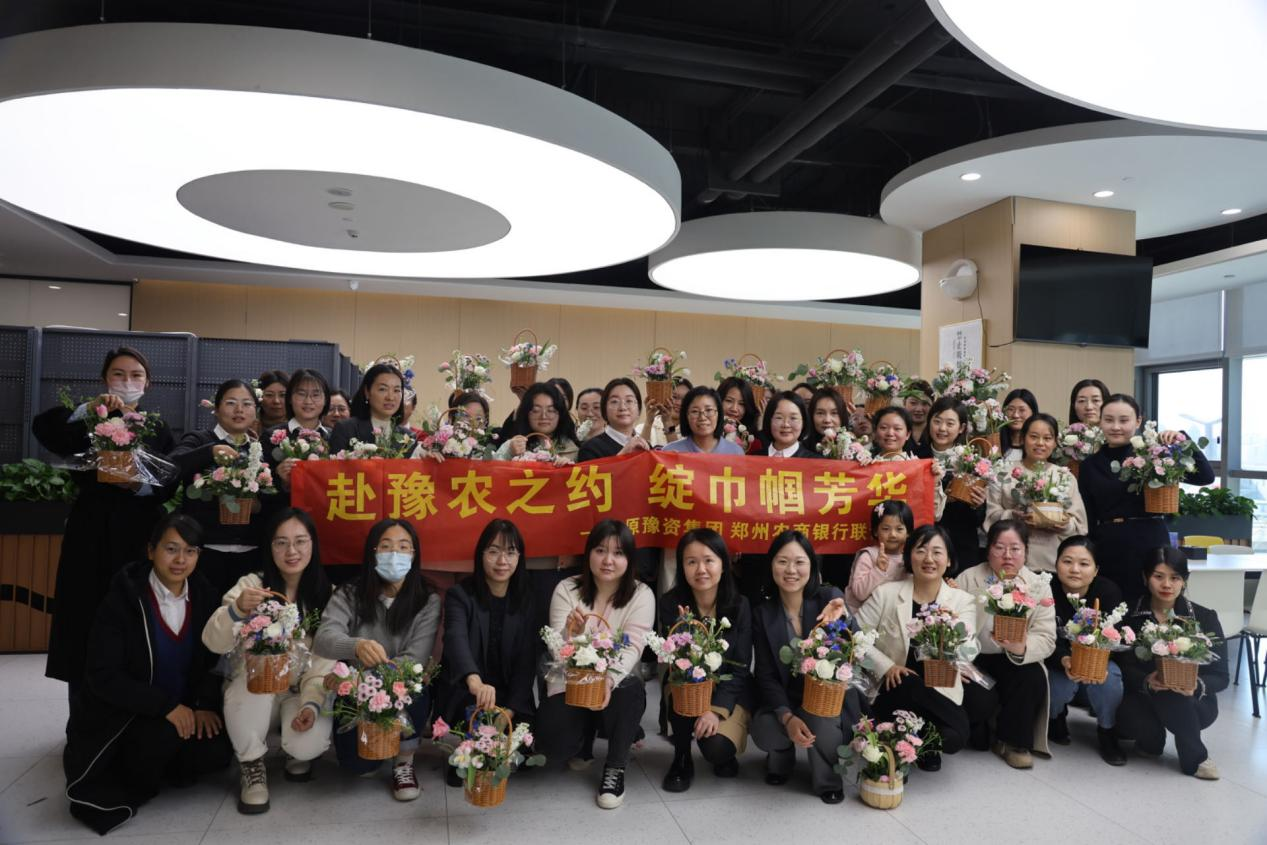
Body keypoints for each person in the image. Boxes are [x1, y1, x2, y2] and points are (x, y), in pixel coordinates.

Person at [64, 514, 231, 835]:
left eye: (190, 551)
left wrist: (203, 704)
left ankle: (164, 765)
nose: (180, 560)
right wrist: (165, 707)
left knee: (218, 750)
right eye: (171, 549)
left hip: (183, 706)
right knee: (160, 739)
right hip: (128, 714)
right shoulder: (123, 600)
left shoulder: (205, 596)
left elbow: (213, 660)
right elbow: (103, 676)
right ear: (151, 550)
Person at [32, 346, 176, 694]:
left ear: (148, 383)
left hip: (139, 532)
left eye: (136, 375)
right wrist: (91, 407)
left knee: (134, 616)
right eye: (118, 374)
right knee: (84, 614)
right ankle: (82, 710)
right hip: (90, 530)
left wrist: (138, 485)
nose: (127, 382)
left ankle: (134, 703)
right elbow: (44, 428)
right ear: (104, 379)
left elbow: (169, 481)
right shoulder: (88, 419)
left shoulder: (156, 427)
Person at [201, 508, 334, 813]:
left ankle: (295, 751)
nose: (291, 551)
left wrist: (311, 705)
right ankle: (251, 765)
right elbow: (212, 641)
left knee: (308, 744)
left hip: (299, 691)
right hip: (256, 688)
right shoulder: (252, 585)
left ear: (313, 544)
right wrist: (236, 610)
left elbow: (324, 663)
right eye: (281, 542)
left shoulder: (327, 594)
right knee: (250, 690)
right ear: (269, 547)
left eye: (300, 541)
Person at [313, 518, 441, 801]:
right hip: (356, 694)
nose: (395, 554)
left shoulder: (427, 599)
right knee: (358, 767)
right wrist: (356, 646)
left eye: (403, 547)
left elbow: (415, 658)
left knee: (417, 682)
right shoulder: (349, 593)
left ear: (414, 554)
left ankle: (404, 761)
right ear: (373, 552)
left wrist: (365, 678)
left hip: (396, 688)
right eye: (386, 546)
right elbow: (323, 638)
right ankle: (380, 745)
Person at [535, 520, 655, 809]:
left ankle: (615, 766)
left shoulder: (641, 594)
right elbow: (557, 648)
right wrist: (571, 635)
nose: (608, 560)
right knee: (553, 747)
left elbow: (632, 647)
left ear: (629, 559)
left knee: (630, 688)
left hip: (617, 686)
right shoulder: (566, 588)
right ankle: (585, 738)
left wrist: (608, 681)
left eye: (618, 553)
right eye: (600, 550)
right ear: (588, 553)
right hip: (570, 683)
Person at [856, 524, 978, 772]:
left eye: (937, 552)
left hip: (938, 692)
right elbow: (856, 636)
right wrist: (886, 666)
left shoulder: (961, 601)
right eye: (921, 550)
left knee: (953, 739)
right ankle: (918, 741)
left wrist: (951, 637)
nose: (929, 559)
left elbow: (971, 647)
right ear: (909, 556)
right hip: (892, 688)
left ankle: (908, 740)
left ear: (949, 560)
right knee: (908, 682)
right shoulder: (886, 593)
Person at [1080, 394, 1215, 603]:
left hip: (1150, 542)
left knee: (1150, 605)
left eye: (1124, 420)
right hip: (1108, 544)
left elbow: (1205, 477)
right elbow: (1088, 514)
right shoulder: (1090, 465)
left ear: (1138, 421)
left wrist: (1182, 440)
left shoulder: (1153, 455)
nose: (1116, 427)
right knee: (1110, 604)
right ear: (1100, 421)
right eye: (1109, 420)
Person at [750, 531, 853, 803]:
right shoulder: (762, 613)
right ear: (771, 565)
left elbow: (853, 637)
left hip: (824, 697)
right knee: (765, 727)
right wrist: (787, 717)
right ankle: (781, 759)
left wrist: (844, 617)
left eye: (799, 562)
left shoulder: (829, 597)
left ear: (812, 565)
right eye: (782, 561)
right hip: (785, 697)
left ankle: (827, 779)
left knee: (822, 717)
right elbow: (765, 674)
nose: (791, 570)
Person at [438, 519, 539, 786]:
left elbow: (526, 660)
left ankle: (488, 748)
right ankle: (468, 751)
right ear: (481, 554)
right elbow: (455, 638)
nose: (502, 561)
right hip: (469, 690)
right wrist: (474, 681)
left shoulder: (526, 599)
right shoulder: (460, 595)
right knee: (475, 735)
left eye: (510, 552)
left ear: (519, 557)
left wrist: (510, 712)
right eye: (493, 551)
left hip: (509, 694)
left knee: (525, 754)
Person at [1118, 547, 1227, 779]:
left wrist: (1195, 685)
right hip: (1141, 698)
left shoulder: (1204, 617)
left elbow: (1221, 675)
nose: (1167, 584)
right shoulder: (1129, 615)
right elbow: (1119, 664)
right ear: (1145, 577)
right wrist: (1146, 680)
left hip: (1192, 702)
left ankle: (1194, 758)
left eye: (1175, 578)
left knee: (1172, 692)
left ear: (1185, 580)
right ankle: (1152, 740)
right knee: (1149, 736)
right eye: (1158, 576)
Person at [658, 529, 754, 792]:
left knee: (717, 748)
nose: (701, 569)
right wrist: (684, 630)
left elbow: (741, 667)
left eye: (709, 560)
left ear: (723, 564)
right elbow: (674, 662)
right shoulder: (671, 603)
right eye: (691, 562)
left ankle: (724, 752)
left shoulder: (740, 605)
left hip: (729, 688)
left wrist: (714, 710)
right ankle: (681, 758)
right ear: (682, 567)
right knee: (680, 685)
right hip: (686, 686)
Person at [956, 520, 1056, 769]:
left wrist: (1022, 647)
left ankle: (1013, 743)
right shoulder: (969, 578)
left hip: (1013, 657)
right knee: (979, 705)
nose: (1007, 555)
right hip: (975, 658)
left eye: (1015, 548)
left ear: (1026, 551)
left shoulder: (1038, 585)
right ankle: (982, 726)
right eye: (999, 547)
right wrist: (958, 660)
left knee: (1033, 677)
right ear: (988, 550)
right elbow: (951, 623)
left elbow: (1046, 637)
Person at [170, 379, 272, 596]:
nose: (239, 410)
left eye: (247, 404)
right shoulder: (199, 439)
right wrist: (210, 452)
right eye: (231, 403)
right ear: (216, 409)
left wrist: (259, 505)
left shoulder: (259, 450)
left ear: (255, 411)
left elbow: (271, 499)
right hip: (205, 552)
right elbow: (172, 466)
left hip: (250, 555)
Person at [1045, 536, 1126, 765]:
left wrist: (1090, 660)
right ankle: (1055, 717)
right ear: (1056, 564)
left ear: (1096, 570)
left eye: (1084, 564)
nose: (1075, 570)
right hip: (1058, 661)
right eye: (1067, 561)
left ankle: (1107, 731)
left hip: (1096, 661)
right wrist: (1064, 659)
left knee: (1110, 679)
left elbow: (1113, 637)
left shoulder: (1107, 592)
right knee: (1056, 684)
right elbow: (1043, 636)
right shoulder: (1046, 591)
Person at [985, 413, 1088, 573]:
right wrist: (1013, 515)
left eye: (1047, 438)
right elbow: (990, 518)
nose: (1040, 443)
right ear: (1022, 438)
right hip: (1009, 563)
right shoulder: (1004, 473)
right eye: (1034, 437)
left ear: (1055, 443)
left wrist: (1063, 524)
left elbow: (1080, 527)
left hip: (1053, 563)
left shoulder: (1064, 476)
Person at [918, 396, 985, 571]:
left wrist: (978, 505)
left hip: (961, 546)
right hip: (923, 543)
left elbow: (977, 520)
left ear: (961, 428)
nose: (942, 428)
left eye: (949, 423)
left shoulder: (971, 461)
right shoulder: (915, 456)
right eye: (937, 421)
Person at [264, 368, 332, 492]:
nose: (308, 401)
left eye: (315, 395)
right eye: (301, 394)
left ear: (326, 399)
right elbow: (260, 491)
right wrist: (279, 476)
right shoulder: (271, 436)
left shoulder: (334, 436)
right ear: (290, 398)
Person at [845, 500, 915, 613]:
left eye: (899, 529)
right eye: (886, 529)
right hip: (864, 617)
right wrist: (878, 570)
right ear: (875, 531)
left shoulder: (911, 558)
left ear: (908, 533)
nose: (892, 534)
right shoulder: (869, 556)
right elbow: (859, 593)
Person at [328, 363, 410, 454]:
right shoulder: (346, 429)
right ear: (367, 392)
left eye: (396, 390)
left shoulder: (407, 436)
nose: (390, 397)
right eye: (382, 389)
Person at [493, 382, 580, 464]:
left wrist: (567, 468)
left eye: (551, 410)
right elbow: (495, 470)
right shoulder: (513, 445)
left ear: (560, 414)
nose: (544, 416)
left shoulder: (572, 449)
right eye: (536, 410)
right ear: (526, 413)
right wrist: (509, 453)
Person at [577, 378, 657, 461]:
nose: (622, 407)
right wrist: (623, 455)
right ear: (604, 409)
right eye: (614, 401)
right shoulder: (590, 449)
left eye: (629, 401)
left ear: (639, 409)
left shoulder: (645, 446)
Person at [662, 385, 745, 455]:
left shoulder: (735, 452)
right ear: (686, 416)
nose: (702, 417)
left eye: (709, 410)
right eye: (695, 411)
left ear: (718, 414)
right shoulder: (670, 451)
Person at [751, 391, 816, 458]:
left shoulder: (814, 461)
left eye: (793, 418)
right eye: (779, 418)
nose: (786, 425)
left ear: (803, 422)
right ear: (769, 420)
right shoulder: (753, 458)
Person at [718, 376, 760, 449]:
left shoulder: (753, 444)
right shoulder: (705, 435)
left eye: (741, 404)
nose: (734, 409)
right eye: (729, 401)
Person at [1000, 388, 1038, 461]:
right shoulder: (994, 444)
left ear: (1033, 413)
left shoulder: (1039, 447)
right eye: (1011, 409)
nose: (1015, 415)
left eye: (1022, 410)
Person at [904, 378, 934, 444]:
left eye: (925, 403)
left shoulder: (936, 431)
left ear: (932, 405)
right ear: (904, 403)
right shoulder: (897, 430)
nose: (918, 409)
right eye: (913, 403)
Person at [666, 378, 693, 442]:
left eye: (685, 399)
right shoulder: (649, 426)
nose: (679, 403)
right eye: (674, 397)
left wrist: (667, 421)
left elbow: (675, 448)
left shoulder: (694, 431)